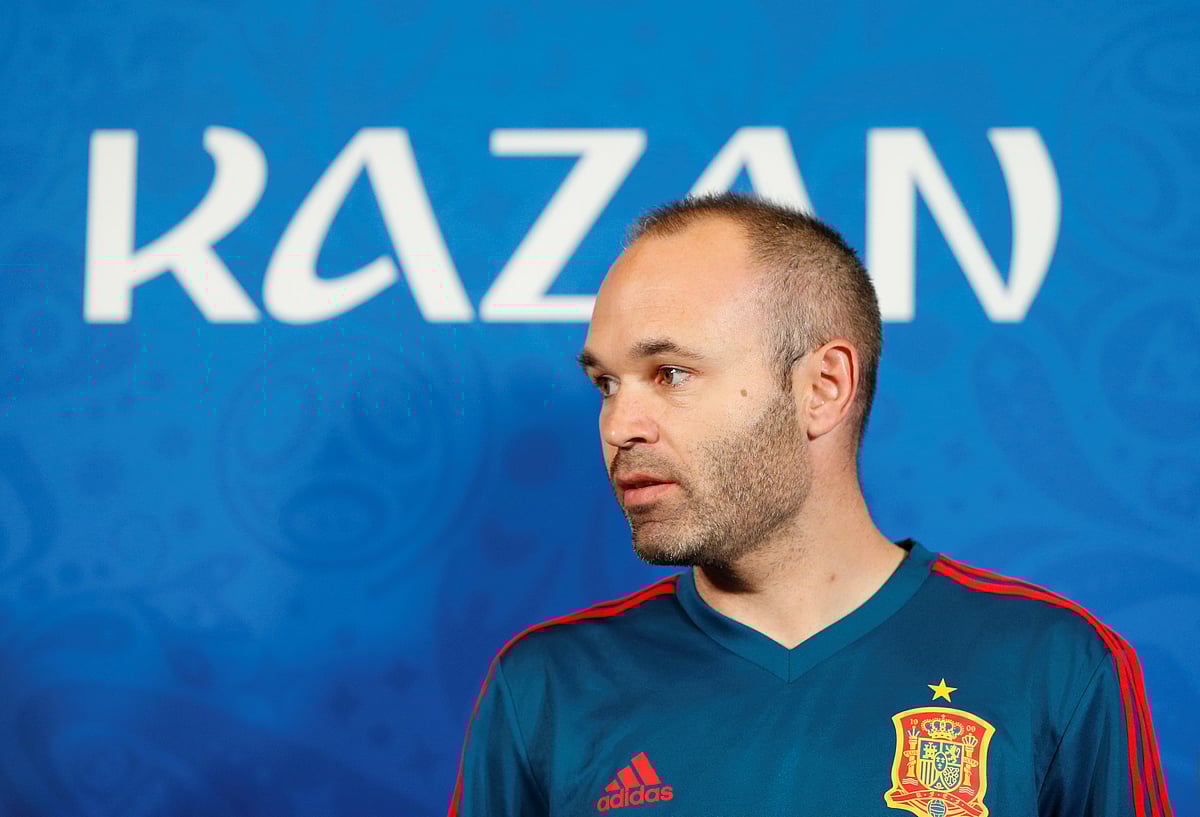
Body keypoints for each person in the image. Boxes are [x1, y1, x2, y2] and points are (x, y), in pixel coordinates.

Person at [446, 193, 1172, 817]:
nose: (618, 426)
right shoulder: (545, 687)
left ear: (823, 387)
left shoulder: (1056, 667)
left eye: (669, 373)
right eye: (607, 383)